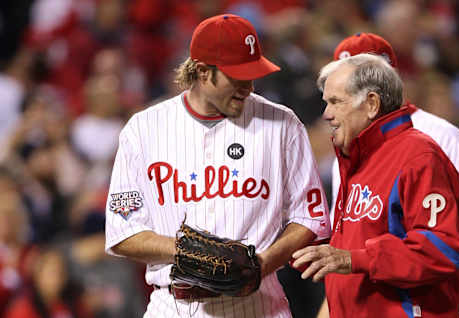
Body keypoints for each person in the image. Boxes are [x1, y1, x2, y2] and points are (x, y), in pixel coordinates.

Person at [104, 14, 331, 318]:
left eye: (253, 74)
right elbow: (123, 230)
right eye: (237, 76)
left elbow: (310, 217)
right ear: (202, 71)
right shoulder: (144, 129)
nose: (248, 86)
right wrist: (192, 253)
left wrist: (261, 264)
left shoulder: (282, 124)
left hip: (258, 305)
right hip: (174, 306)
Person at [292, 53, 459, 318]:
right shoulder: (357, 158)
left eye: (336, 102)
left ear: (372, 103)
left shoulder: (418, 157)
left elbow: (442, 249)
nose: (326, 114)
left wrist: (354, 259)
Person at [327, 33, 459, 317]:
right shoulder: (348, 151)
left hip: (419, 303)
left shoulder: (442, 140)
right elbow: (346, 248)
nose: (329, 111)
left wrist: (434, 292)